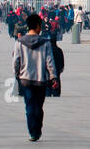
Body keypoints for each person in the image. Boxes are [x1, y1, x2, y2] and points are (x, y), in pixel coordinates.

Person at [12, 13, 58, 142]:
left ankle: (33, 132)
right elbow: (50, 62)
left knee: (29, 106)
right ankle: (37, 129)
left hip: (26, 79)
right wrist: (53, 78)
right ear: (38, 26)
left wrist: (17, 74)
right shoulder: (45, 43)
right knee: (39, 106)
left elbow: (16, 61)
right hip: (41, 80)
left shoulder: (19, 43)